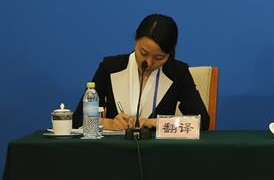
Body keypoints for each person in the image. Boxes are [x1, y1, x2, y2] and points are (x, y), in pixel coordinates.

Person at [73, 14, 210, 131]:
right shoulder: (110, 68)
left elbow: (202, 122)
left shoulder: (178, 72)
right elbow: (79, 119)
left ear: (169, 54)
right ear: (135, 41)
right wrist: (111, 124)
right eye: (143, 53)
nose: (149, 63)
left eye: (159, 57)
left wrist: (152, 123)